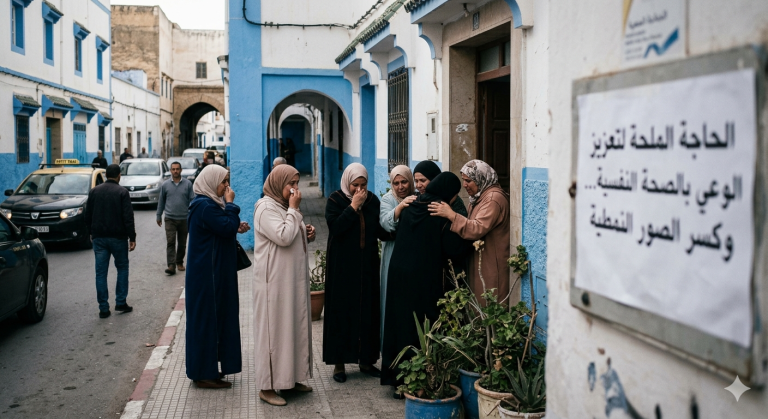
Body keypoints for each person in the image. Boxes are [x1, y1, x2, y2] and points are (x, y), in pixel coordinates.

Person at [381, 172, 470, 397]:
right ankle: (420, 383)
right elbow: (454, 250)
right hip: (424, 281)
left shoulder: (411, 204)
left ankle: (397, 381)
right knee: (421, 327)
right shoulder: (440, 213)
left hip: (399, 275)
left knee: (400, 323)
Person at [252, 165, 316, 406]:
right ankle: (266, 387)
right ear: (279, 183)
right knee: (273, 334)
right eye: (292, 183)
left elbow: (292, 231)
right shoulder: (265, 207)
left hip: (291, 281)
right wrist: (293, 211)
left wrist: (306, 231)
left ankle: (292, 378)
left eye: (297, 183)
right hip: (274, 285)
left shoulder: (282, 205)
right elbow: (283, 236)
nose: (296, 189)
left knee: (293, 328)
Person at [323, 163, 390, 383]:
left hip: (367, 265)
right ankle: (339, 363)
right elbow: (336, 228)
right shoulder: (335, 200)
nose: (359, 190)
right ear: (347, 183)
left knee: (368, 310)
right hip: (342, 266)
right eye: (355, 185)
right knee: (342, 310)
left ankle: (366, 360)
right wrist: (353, 206)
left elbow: (381, 231)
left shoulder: (372, 201)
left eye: (363, 185)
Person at [185, 165, 251, 389]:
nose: (227, 186)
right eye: (223, 181)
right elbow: (224, 226)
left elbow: (223, 228)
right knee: (207, 322)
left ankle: (209, 369)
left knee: (214, 320)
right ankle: (204, 374)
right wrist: (231, 205)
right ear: (211, 181)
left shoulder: (208, 205)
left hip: (210, 274)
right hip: (208, 277)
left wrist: (234, 226)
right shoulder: (205, 206)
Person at [429, 160, 510, 302]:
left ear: (481, 178)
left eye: (468, 181)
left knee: (489, 304)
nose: (464, 185)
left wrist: (452, 215)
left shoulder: (493, 199)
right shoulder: (480, 197)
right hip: (480, 260)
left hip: (491, 262)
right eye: (463, 180)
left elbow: (477, 228)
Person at [85, 164, 136, 319]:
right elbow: (128, 217)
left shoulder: (94, 191)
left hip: (99, 238)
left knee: (100, 273)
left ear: (106, 175)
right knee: (122, 268)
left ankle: (103, 308)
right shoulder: (122, 192)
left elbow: (88, 215)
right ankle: (120, 302)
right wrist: (132, 237)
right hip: (118, 238)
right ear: (119, 175)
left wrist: (90, 232)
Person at [378, 165, 415, 347]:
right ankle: (389, 346)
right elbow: (387, 224)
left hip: (412, 255)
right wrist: (400, 206)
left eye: (404, 181)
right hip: (392, 254)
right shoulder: (387, 199)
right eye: (396, 183)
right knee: (389, 298)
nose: (401, 186)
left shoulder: (418, 198)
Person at [156, 161, 195, 275]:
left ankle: (179, 262)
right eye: (173, 169)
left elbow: (192, 200)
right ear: (170, 170)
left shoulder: (188, 184)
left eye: (177, 169)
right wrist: (158, 215)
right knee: (171, 242)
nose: (175, 171)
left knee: (182, 243)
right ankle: (171, 265)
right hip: (170, 218)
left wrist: (192, 215)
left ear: (181, 170)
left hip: (184, 219)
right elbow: (161, 201)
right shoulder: (165, 185)